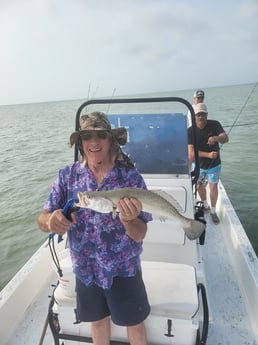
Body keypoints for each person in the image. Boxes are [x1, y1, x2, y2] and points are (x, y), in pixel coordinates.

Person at [37, 111, 152, 345]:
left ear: (110, 140)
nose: (93, 142)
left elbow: (140, 234)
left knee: (135, 325)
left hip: (123, 269)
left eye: (100, 135)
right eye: (86, 136)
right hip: (86, 269)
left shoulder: (130, 178)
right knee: (97, 323)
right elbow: (42, 218)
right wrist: (51, 221)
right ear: (80, 143)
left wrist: (129, 220)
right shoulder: (67, 176)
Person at [188, 103, 228, 224]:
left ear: (207, 115)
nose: (201, 117)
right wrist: (208, 154)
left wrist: (216, 138)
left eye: (203, 114)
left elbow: (225, 138)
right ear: (195, 116)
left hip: (214, 165)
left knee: (213, 187)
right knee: (199, 185)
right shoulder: (190, 131)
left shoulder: (214, 124)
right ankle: (205, 204)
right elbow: (191, 153)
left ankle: (213, 211)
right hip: (198, 165)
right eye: (198, 115)